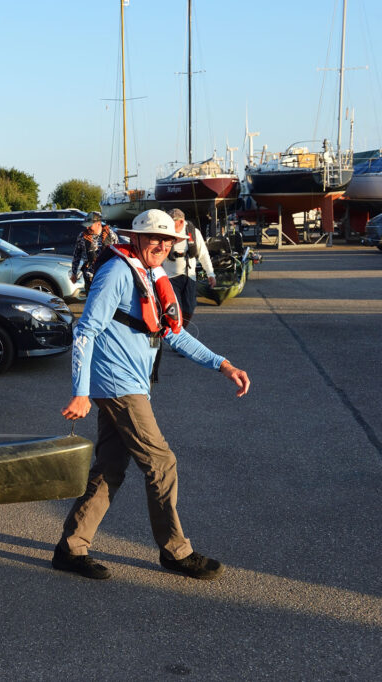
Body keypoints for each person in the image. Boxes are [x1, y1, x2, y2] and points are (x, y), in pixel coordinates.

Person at [52, 208, 250, 581]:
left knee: (110, 467)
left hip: (134, 383)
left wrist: (223, 365)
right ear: (136, 239)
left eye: (167, 240)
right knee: (162, 463)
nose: (160, 245)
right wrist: (80, 392)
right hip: (118, 384)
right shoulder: (116, 272)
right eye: (153, 239)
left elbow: (173, 333)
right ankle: (175, 552)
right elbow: (85, 331)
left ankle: (70, 548)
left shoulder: (152, 273)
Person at [163, 208, 215, 328]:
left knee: (190, 308)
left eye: (172, 223)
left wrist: (210, 274)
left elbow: (203, 254)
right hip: (170, 278)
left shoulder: (194, 232)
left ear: (181, 222)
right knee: (175, 310)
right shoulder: (165, 232)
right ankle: (176, 334)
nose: (169, 226)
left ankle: (181, 331)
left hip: (189, 276)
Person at [70, 211, 116, 292]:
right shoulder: (82, 236)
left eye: (89, 225)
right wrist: (74, 273)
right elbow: (76, 255)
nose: (87, 228)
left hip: (107, 276)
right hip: (90, 277)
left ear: (98, 223)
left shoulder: (111, 235)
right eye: (86, 226)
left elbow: (117, 254)